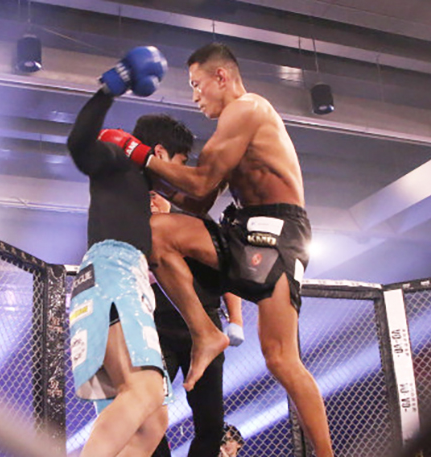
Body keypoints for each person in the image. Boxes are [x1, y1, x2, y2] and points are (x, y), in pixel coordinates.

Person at [108, 43, 334, 456]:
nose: (194, 96)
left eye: (196, 84)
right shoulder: (229, 129)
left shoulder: (248, 110)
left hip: (279, 233)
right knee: (156, 233)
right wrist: (144, 176)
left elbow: (199, 181)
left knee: (281, 358)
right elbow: (198, 202)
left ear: (221, 77)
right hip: (242, 229)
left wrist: (139, 155)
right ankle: (205, 332)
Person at [66, 46, 194, 457]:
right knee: (145, 390)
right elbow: (79, 146)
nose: (178, 173)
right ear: (160, 153)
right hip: (112, 274)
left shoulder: (142, 189)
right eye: (179, 162)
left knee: (152, 421)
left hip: (115, 282)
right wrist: (108, 90)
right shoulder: (122, 162)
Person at [149, 191, 244, 457]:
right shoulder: (137, 232)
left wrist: (236, 320)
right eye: (143, 197)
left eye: (154, 195)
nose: (150, 203)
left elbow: (226, 273)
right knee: (147, 410)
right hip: (156, 329)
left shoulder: (193, 224)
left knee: (211, 420)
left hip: (204, 326)